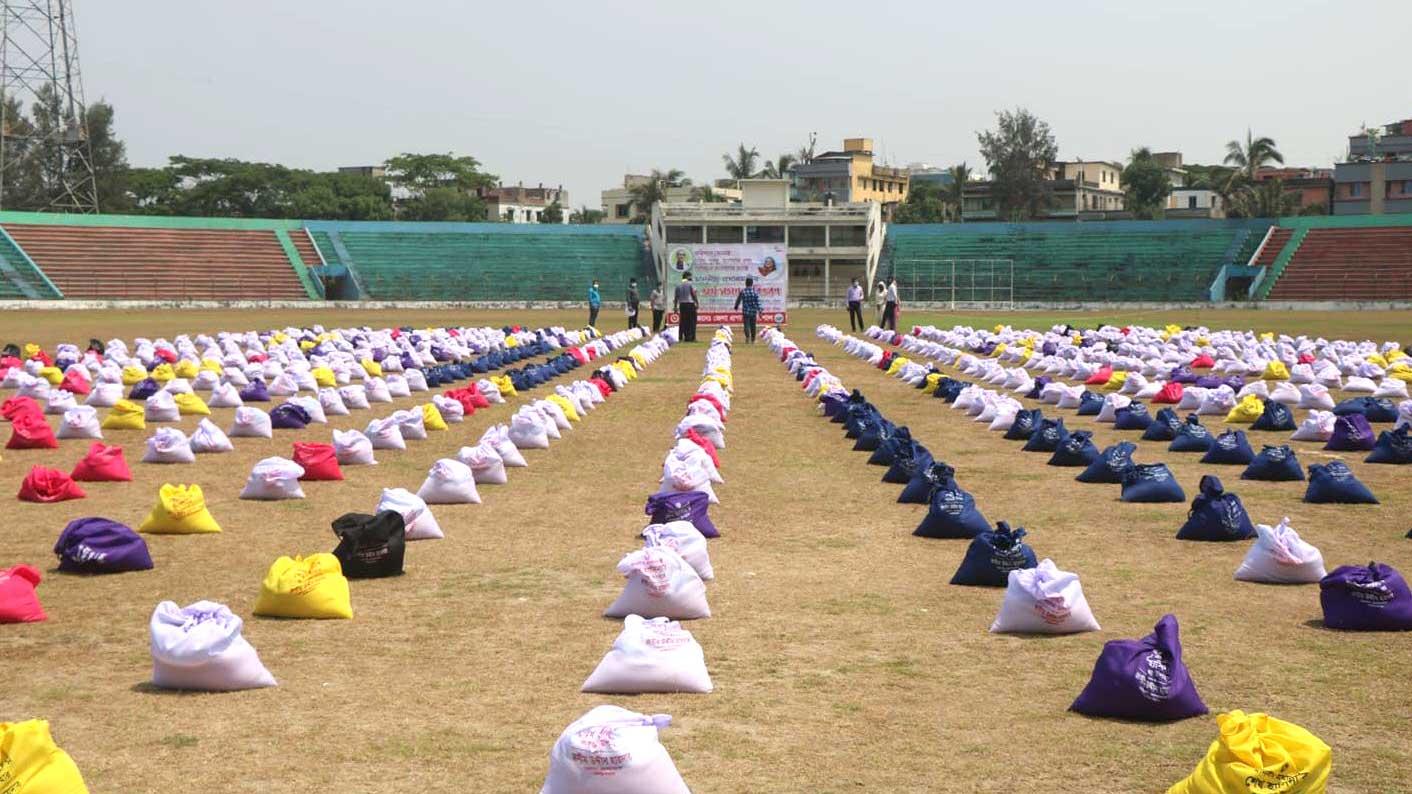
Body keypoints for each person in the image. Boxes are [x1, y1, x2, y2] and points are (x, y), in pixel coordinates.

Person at [733, 277, 761, 344]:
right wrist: (760, 311)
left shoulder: (743, 291)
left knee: (746, 325)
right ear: (752, 284)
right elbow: (758, 302)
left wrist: (736, 306)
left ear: (745, 283)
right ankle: (753, 340)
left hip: (746, 311)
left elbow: (738, 300)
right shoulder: (755, 292)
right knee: (753, 326)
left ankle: (747, 337)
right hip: (753, 311)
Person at [674, 272, 698, 342]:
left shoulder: (678, 285)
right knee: (692, 321)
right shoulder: (690, 284)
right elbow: (693, 294)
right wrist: (697, 302)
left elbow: (676, 297)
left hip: (682, 305)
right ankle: (692, 337)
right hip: (690, 304)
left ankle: (682, 337)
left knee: (683, 321)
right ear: (687, 277)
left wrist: (675, 307)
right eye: (690, 276)